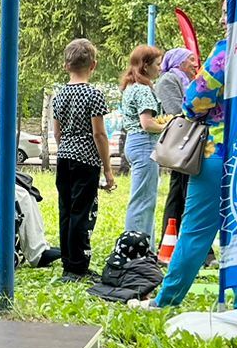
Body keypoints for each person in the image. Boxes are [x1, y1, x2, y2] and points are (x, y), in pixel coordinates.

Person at [151, 31, 237, 311]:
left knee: (196, 230)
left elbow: (196, 100)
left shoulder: (229, 50)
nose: (224, 21)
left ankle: (166, 301)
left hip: (218, 149)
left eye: (226, 13)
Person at [51, 39, 114, 281]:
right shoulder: (94, 95)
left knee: (65, 209)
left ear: (67, 66)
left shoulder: (59, 95)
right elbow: (99, 133)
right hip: (86, 158)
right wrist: (107, 169)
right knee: (82, 211)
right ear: (93, 65)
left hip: (64, 157)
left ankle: (68, 261)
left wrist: (65, 146)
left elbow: (57, 132)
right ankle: (77, 266)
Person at [118, 45, 166, 245]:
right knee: (143, 201)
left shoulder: (131, 88)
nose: (160, 67)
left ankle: (146, 248)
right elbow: (147, 124)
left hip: (134, 143)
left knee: (144, 199)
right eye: (157, 63)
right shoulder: (144, 91)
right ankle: (136, 250)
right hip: (145, 144)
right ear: (145, 66)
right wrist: (169, 125)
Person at [155, 48, 198, 235]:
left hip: (190, 141)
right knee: (182, 191)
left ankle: (170, 238)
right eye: (191, 59)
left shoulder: (188, 81)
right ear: (179, 61)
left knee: (179, 191)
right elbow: (175, 109)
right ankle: (175, 238)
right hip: (181, 142)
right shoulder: (168, 80)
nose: (195, 64)